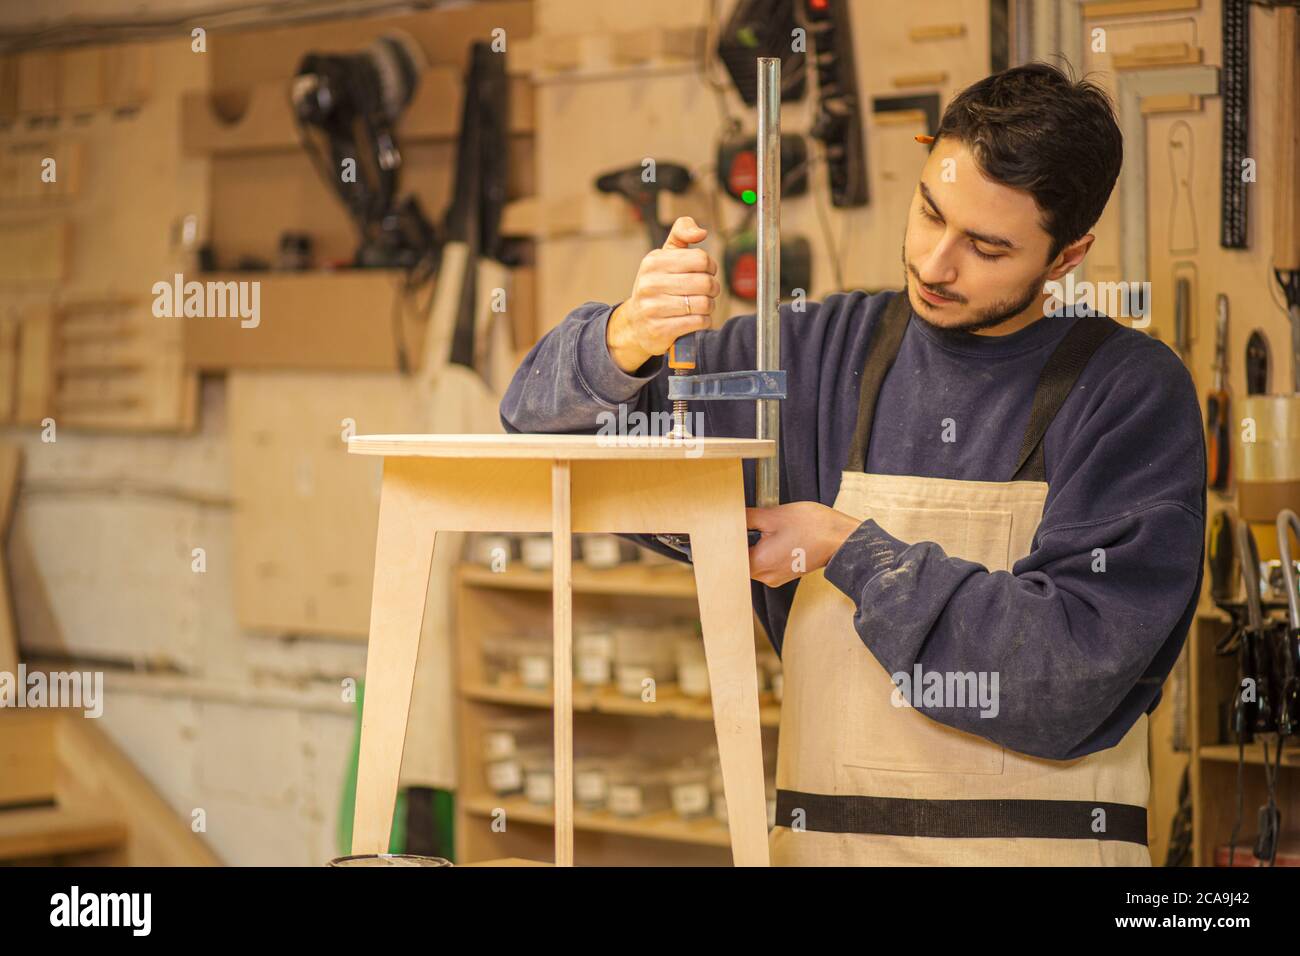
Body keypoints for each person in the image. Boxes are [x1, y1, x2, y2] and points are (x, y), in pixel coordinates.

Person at [500, 61, 1206, 865]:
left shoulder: (1130, 394)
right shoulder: (811, 353)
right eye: (929, 213)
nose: (937, 264)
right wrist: (624, 339)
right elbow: (539, 427)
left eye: (985, 245)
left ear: (1067, 255)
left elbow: (1065, 676)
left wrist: (851, 552)